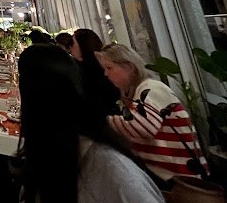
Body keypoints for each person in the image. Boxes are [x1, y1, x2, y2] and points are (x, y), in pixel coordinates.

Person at [18, 44, 163, 203]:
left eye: (109, 68)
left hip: (162, 171)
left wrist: (106, 120)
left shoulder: (111, 168)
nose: (106, 73)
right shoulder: (57, 151)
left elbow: (146, 127)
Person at [97, 44, 209, 185]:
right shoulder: (140, 90)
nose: (106, 74)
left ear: (130, 67)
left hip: (180, 179)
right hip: (173, 175)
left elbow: (143, 127)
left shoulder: (150, 88)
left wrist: (103, 122)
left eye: (109, 68)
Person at [71, 28, 120, 117]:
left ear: (83, 46)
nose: (70, 47)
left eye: (72, 43)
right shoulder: (90, 67)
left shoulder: (97, 69)